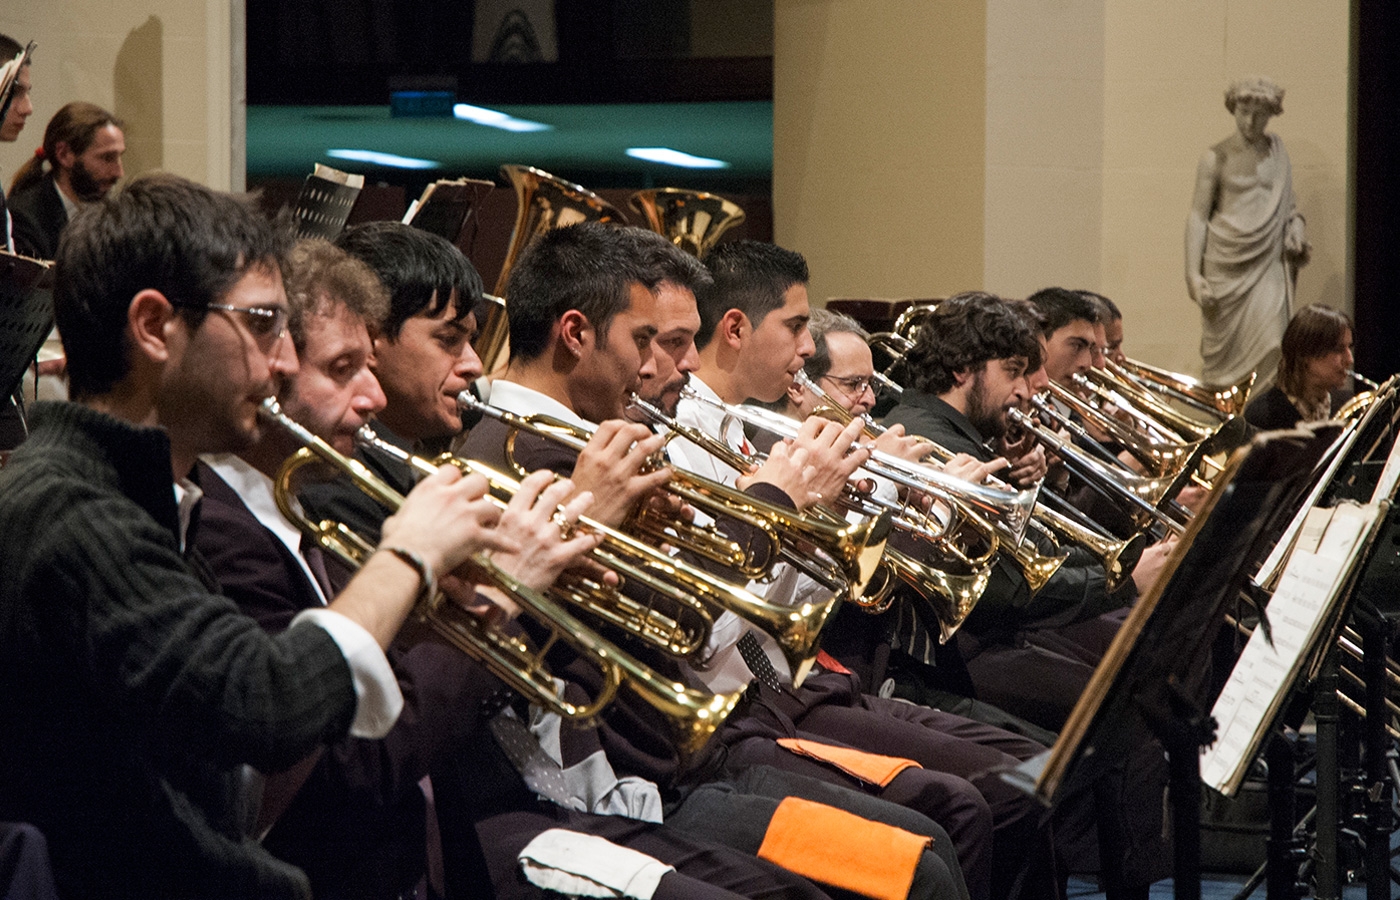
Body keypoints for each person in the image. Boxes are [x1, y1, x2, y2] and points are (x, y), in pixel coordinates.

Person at [320, 220, 968, 900]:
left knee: (945, 828)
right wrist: (770, 505)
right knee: (921, 851)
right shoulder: (516, 455)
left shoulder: (594, 446)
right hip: (631, 766)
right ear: (576, 333)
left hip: (706, 737)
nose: (673, 366)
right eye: (653, 341)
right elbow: (683, 620)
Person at [0, 174, 524, 899]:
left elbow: (221, 781)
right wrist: (409, 553)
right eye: (260, 324)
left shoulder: (133, 499)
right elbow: (265, 706)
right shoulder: (72, 509)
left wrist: (426, 609)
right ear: (155, 327)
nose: (281, 364)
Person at [1185, 75, 1309, 385]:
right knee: (1220, 366)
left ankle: (1264, 422)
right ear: (1233, 110)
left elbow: (1288, 207)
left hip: (1267, 261)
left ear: (1272, 114)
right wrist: (1193, 275)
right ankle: (1228, 423)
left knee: (1273, 344)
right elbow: (1198, 216)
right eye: (1243, 112)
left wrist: (1296, 227)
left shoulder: (1278, 154)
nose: (1250, 122)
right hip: (1225, 263)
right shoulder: (1216, 158)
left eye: (1259, 114)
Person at [6, 101, 125, 260]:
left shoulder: (113, 216)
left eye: (119, 157)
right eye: (107, 158)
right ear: (64, 155)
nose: (119, 172)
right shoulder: (24, 220)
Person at [1244, 303, 1354, 431]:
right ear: (1307, 353)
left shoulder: (1349, 406)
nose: (1350, 359)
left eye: (1349, 347)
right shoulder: (1263, 415)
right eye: (1338, 350)